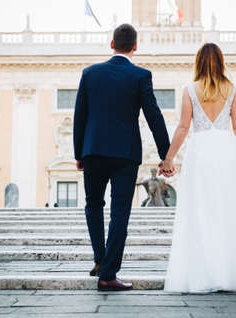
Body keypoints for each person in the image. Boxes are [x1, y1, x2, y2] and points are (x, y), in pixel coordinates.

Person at [73, 23, 171, 291]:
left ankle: (99, 260)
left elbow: (79, 115)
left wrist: (79, 152)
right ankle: (108, 273)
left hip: (93, 152)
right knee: (120, 214)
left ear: (112, 44)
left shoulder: (90, 73)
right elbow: (154, 116)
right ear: (135, 47)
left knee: (93, 205)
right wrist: (166, 155)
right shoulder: (141, 75)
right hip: (125, 156)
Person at [160, 43, 236, 293]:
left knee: (201, 211)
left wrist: (168, 159)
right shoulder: (233, 89)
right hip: (227, 152)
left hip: (201, 152)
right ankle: (228, 274)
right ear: (221, 61)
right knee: (227, 211)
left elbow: (184, 127)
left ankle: (204, 273)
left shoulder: (190, 90)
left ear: (198, 62)